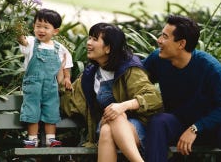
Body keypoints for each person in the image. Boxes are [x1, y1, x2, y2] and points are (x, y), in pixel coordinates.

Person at [143, 15, 221, 162]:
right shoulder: (158, 59)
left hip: (210, 129)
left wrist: (195, 128)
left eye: (165, 37)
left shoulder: (211, 68)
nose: (159, 40)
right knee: (159, 121)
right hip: (177, 125)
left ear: (181, 44)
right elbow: (135, 75)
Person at [60, 23, 163, 162]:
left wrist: (123, 106)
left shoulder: (129, 68)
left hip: (137, 127)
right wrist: (62, 78)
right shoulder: (90, 75)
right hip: (104, 125)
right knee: (109, 125)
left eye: (95, 39)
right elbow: (70, 104)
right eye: (89, 38)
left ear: (108, 48)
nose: (88, 43)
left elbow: (154, 98)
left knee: (113, 120)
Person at [17, 8, 73, 148]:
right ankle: (32, 139)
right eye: (38, 26)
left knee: (51, 109)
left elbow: (66, 64)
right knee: (32, 109)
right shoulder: (31, 43)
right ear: (33, 27)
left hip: (51, 86)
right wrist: (17, 31)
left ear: (55, 31)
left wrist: (67, 78)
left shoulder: (60, 48)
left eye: (46, 27)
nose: (41, 30)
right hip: (33, 85)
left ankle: (50, 139)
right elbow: (22, 41)